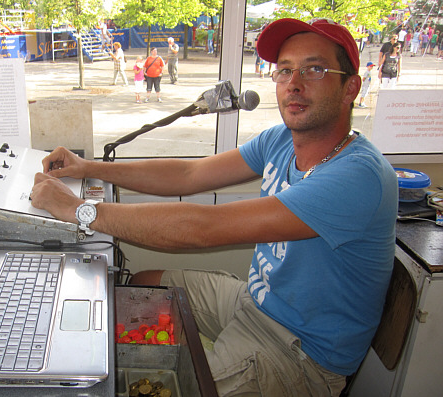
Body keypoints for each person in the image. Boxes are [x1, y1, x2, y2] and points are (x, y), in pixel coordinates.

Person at [30, 18, 398, 396]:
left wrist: (79, 210)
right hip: (253, 302)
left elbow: (203, 227)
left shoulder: (357, 177)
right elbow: (189, 174)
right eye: (285, 70)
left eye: (315, 69)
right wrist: (88, 167)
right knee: (144, 286)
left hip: (298, 355)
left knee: (153, 390)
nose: (294, 83)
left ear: (350, 88)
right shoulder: (282, 139)